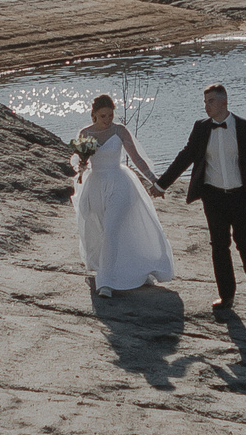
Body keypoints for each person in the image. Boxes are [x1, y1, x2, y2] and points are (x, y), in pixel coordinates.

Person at [159, 82, 246, 316]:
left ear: (224, 102)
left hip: (242, 195)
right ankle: (227, 296)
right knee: (219, 246)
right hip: (213, 196)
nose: (206, 106)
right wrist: (161, 184)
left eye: (211, 101)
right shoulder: (200, 128)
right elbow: (185, 157)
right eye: (205, 102)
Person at [72, 93, 173, 298]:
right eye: (103, 116)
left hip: (119, 182)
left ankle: (105, 283)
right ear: (94, 115)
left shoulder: (119, 131)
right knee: (103, 230)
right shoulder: (85, 133)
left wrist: (154, 180)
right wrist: (82, 166)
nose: (108, 119)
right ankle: (129, 269)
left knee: (111, 229)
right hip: (96, 185)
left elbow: (136, 158)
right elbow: (80, 164)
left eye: (110, 115)